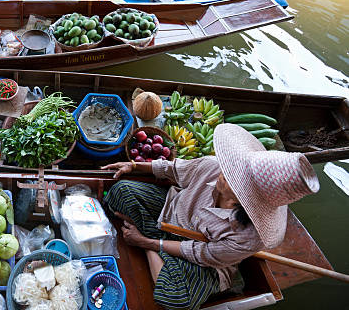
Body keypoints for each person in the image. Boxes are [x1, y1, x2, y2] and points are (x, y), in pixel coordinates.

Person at [102, 124, 320, 310]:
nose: (224, 171)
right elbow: (174, 169)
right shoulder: (213, 167)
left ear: (244, 199)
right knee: (121, 191)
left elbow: (201, 253)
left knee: (177, 299)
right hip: (170, 214)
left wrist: (147, 243)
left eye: (233, 177)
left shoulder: (250, 237)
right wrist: (134, 165)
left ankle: (148, 244)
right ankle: (156, 246)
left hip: (203, 259)